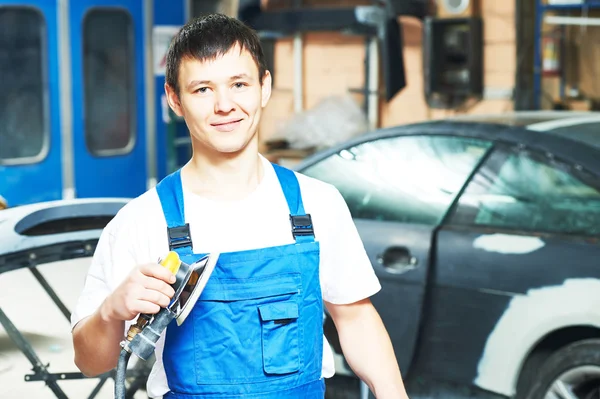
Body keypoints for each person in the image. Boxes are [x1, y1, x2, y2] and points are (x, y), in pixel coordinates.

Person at [71, 13, 409, 399]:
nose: (224, 105)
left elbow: (356, 320)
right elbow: (89, 361)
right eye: (202, 89)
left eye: (239, 84)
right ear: (174, 100)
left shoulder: (317, 204)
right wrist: (111, 312)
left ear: (264, 87)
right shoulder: (141, 220)